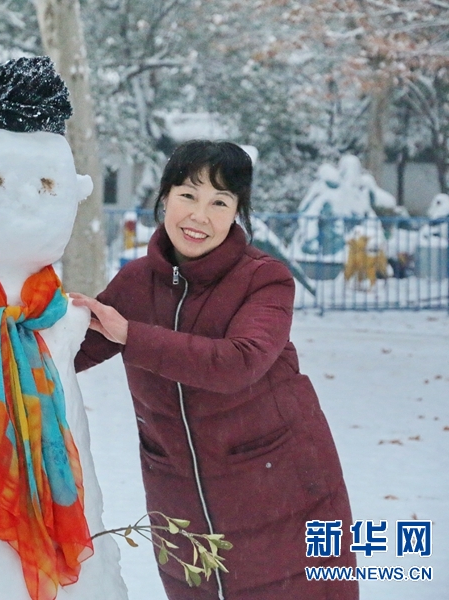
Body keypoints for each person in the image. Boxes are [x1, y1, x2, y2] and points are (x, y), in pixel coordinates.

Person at [70, 140, 358, 600]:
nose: (198, 216)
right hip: (181, 501)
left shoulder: (265, 280)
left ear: (237, 212)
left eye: (219, 202)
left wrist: (132, 336)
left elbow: (240, 361)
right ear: (164, 199)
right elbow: (66, 354)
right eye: (187, 195)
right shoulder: (136, 284)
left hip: (279, 490)